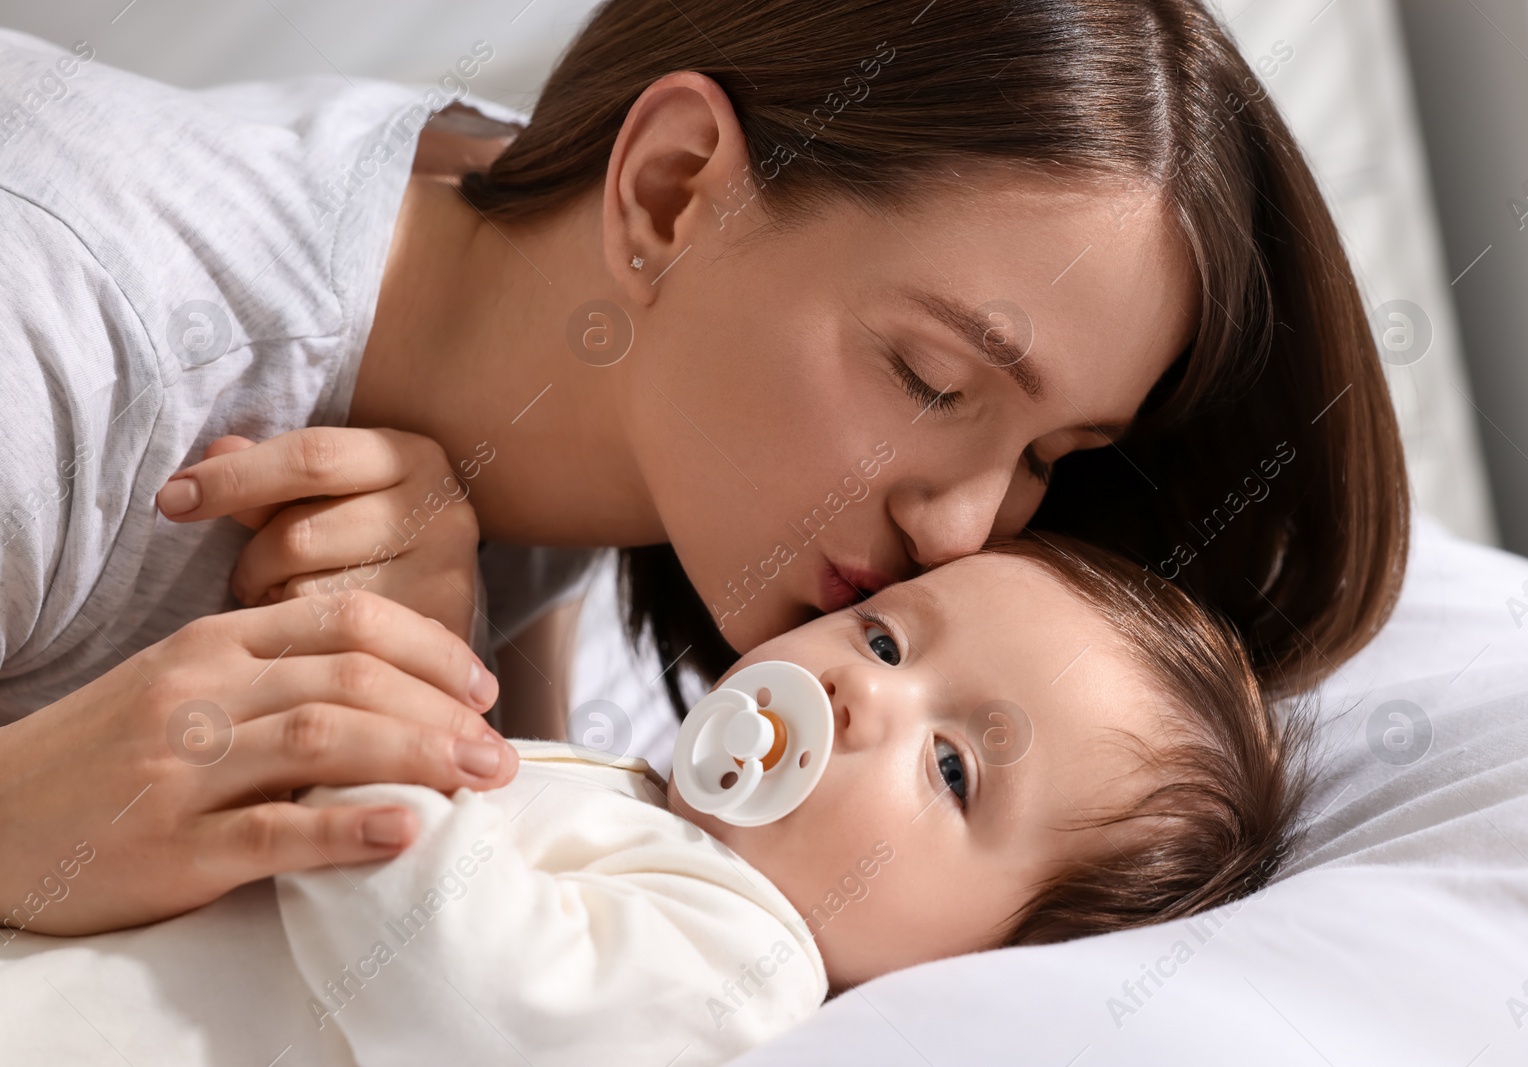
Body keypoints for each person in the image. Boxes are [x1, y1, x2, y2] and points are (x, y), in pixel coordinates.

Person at [0, 0, 1405, 936]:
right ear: (671, 187)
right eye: (933, 381)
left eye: (1050, 456)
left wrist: (488, 657)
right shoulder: (76, 333)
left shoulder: (596, 444)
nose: (968, 526)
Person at [0, 535, 1308, 1067]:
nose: (863, 697)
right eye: (890, 640)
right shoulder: (653, 816)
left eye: (955, 769)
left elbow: (478, 995)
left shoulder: (746, 973)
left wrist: (375, 744)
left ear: (998, 960)